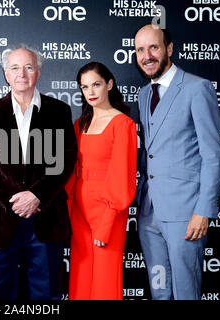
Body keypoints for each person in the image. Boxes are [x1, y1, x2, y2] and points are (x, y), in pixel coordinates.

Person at [0, 44, 77, 300]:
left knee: (47, 293)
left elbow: (66, 159)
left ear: (38, 73)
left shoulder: (59, 111)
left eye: (29, 67)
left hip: (46, 217)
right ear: (6, 74)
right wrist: (15, 200)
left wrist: (36, 195)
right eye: (15, 68)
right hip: (2, 219)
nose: (22, 74)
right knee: (1, 293)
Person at [134, 24, 220, 300]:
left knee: (186, 291)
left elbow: (212, 154)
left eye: (154, 47)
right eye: (140, 50)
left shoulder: (197, 88)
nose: (146, 55)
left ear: (169, 49)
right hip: (149, 212)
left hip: (185, 213)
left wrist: (204, 210)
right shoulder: (143, 94)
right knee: (159, 289)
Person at [65, 62, 137, 300]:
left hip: (108, 211)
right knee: (80, 276)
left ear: (109, 84)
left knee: (106, 279)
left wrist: (107, 221)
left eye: (96, 84)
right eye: (85, 87)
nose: (91, 92)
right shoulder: (80, 124)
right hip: (79, 210)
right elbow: (71, 172)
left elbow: (121, 176)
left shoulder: (123, 124)